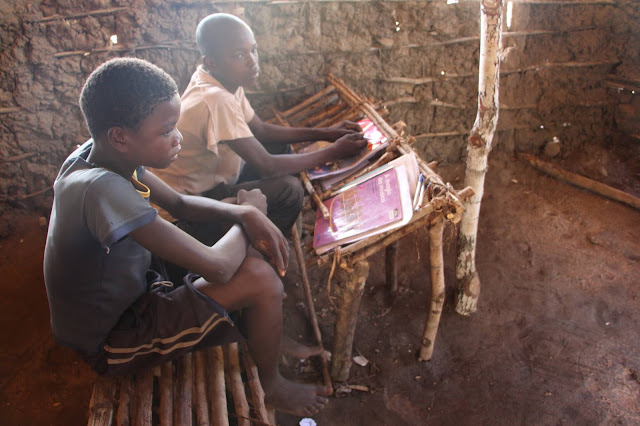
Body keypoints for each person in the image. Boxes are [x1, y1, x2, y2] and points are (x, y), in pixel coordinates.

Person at [43, 57, 328, 416]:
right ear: (120, 137)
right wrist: (250, 213)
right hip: (114, 338)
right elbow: (219, 268)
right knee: (259, 277)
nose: (178, 138)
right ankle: (272, 386)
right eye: (166, 131)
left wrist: (241, 212)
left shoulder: (97, 154)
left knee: (236, 226)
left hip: (140, 278)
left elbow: (178, 204)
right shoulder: (102, 189)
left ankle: (260, 327)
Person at [151, 12, 368, 237]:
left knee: (279, 148)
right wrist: (334, 151)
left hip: (215, 181)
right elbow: (268, 166)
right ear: (211, 62)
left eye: (253, 50)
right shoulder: (215, 99)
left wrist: (327, 133)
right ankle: (259, 248)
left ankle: (263, 225)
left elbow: (260, 130)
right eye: (238, 55)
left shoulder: (218, 79)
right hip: (190, 209)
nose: (252, 61)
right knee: (290, 191)